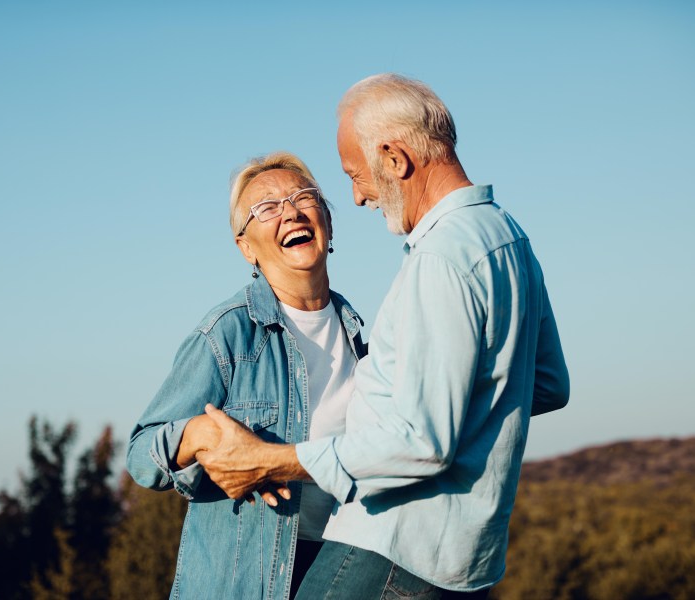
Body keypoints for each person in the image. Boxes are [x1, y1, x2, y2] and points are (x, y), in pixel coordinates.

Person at [197, 73, 570, 599]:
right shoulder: (508, 236)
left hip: (391, 549)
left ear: (395, 160)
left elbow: (422, 442)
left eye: (356, 174)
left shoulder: (440, 259)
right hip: (467, 561)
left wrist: (271, 460)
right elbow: (549, 384)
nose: (357, 197)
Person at [125, 151, 366, 599]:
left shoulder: (360, 335)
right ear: (246, 247)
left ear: (328, 223)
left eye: (303, 197)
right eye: (266, 208)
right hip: (245, 583)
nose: (290, 211)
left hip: (337, 568)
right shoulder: (228, 332)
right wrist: (198, 433)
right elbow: (141, 454)